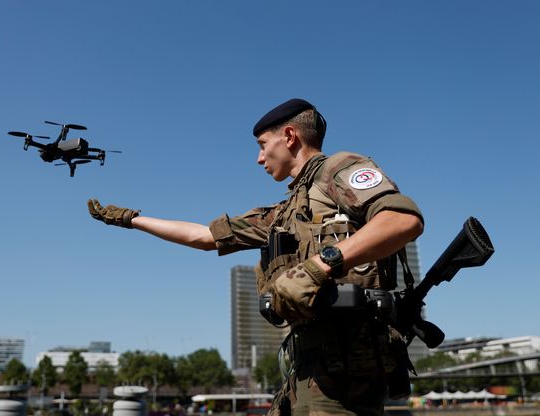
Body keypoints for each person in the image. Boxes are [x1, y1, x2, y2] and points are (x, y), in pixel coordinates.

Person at [87, 98, 424, 416]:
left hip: (350, 360)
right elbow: (205, 236)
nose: (259, 158)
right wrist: (132, 219)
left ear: (289, 137)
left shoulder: (338, 169)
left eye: (263, 145)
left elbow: (402, 218)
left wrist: (318, 266)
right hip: (309, 362)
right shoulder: (283, 212)